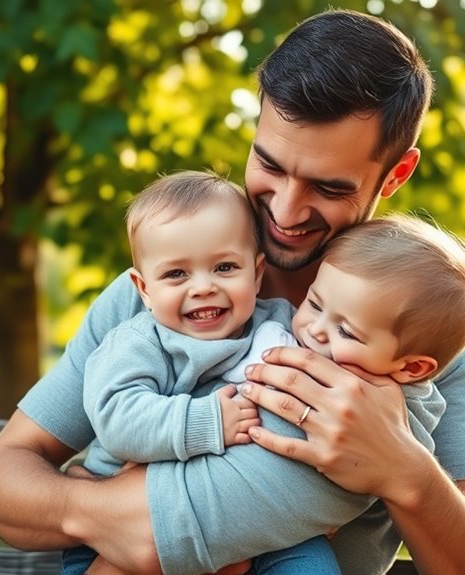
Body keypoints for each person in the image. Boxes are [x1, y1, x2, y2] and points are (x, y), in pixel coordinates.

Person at [0, 8, 465, 575]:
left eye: (328, 186)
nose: (285, 211)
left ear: (395, 174)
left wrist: (406, 472)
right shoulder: (158, 300)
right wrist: (104, 513)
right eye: (269, 164)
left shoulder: (421, 334)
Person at [64, 170, 341, 574]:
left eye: (225, 268)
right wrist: (205, 421)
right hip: (126, 530)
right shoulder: (141, 342)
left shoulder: (281, 324)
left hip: (258, 523)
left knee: (313, 564)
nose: (203, 287)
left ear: (257, 272)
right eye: (176, 274)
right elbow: (115, 417)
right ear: (143, 289)